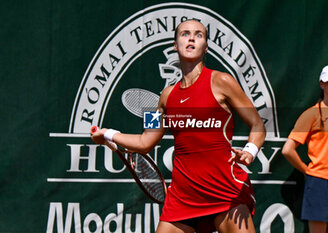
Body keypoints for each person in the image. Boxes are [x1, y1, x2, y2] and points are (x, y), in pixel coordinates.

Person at [91, 19, 266, 233]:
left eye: (198, 35)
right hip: (183, 197)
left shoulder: (223, 81)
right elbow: (145, 141)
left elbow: (257, 123)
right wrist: (108, 134)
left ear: (206, 47)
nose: (191, 38)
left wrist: (249, 151)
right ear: (175, 44)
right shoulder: (165, 96)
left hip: (225, 190)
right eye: (185, 34)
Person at [282, 64, 328, 233]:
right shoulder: (310, 115)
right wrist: (307, 171)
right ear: (322, 84)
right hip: (318, 183)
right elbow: (287, 149)